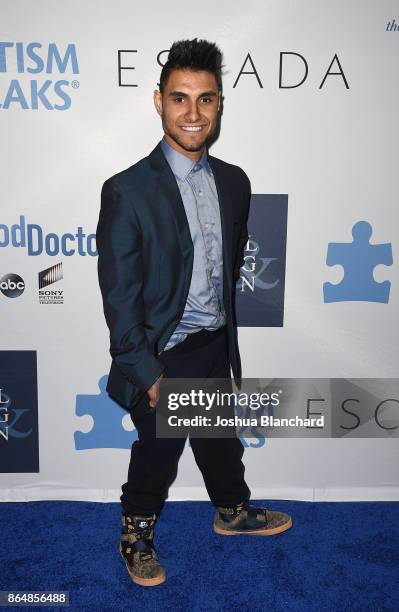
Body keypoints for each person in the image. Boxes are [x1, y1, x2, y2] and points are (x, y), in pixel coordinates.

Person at [96, 38, 292, 587]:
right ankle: (135, 532)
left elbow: (224, 270)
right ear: (157, 101)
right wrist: (146, 368)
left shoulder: (234, 181)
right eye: (180, 98)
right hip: (163, 351)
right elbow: (119, 295)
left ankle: (232, 510)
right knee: (157, 455)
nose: (193, 113)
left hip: (214, 341)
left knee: (220, 438)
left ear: (219, 104)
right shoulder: (127, 191)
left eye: (205, 99)